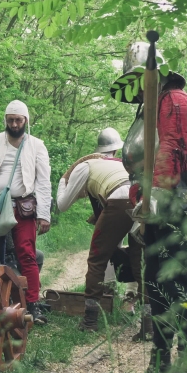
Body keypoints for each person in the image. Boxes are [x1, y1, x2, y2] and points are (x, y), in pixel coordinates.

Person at [109, 42, 187, 373]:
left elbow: (169, 156)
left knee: (177, 284)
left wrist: (152, 199)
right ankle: (160, 363)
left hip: (177, 203)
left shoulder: (177, 103)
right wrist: (141, 202)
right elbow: (140, 165)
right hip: (154, 207)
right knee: (154, 285)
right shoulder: (147, 111)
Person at [57, 127, 148, 335]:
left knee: (97, 259)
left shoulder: (87, 165)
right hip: (143, 199)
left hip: (119, 200)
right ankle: (148, 324)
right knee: (139, 261)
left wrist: (63, 182)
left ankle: (90, 321)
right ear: (116, 151)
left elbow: (62, 205)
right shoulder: (126, 164)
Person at [0, 100, 52, 325]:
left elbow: (43, 181)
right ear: (6, 120)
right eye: (10, 119)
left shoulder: (37, 145)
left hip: (24, 207)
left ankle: (32, 305)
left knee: (27, 255)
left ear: (26, 120)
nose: (14, 123)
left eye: (18, 120)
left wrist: (44, 214)